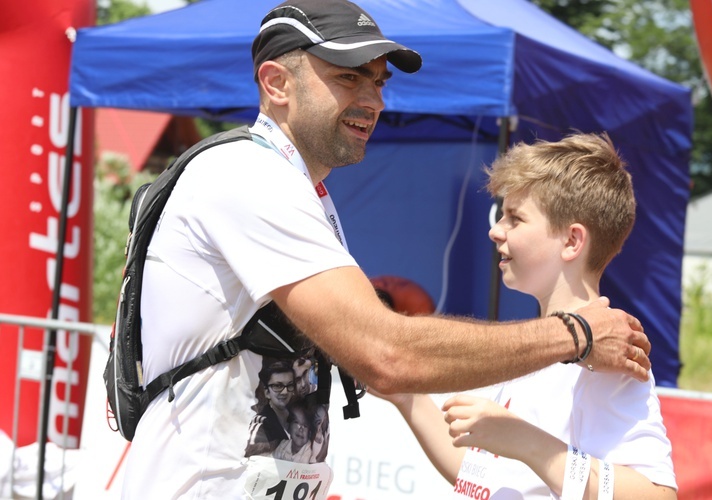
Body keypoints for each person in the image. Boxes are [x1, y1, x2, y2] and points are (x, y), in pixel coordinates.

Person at [121, 0, 653, 498]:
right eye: (347, 77)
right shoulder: (248, 175)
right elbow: (387, 354)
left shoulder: (302, 189)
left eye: (378, 81)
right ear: (276, 82)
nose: (373, 100)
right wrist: (575, 335)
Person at [374, 132, 677, 499]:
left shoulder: (607, 356)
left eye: (514, 218)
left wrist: (525, 440)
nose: (495, 230)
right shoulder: (540, 342)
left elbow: (657, 495)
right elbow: (486, 480)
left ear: (571, 242)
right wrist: (407, 395)